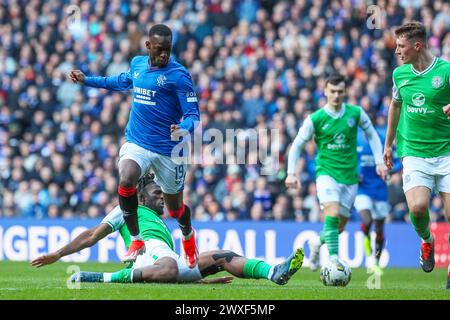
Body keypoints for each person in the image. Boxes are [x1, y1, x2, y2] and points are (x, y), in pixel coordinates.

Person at [69, 24, 200, 266]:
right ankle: (137, 239)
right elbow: (119, 81)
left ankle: (188, 235)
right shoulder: (138, 64)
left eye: (168, 50)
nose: (164, 55)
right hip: (138, 141)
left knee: (175, 209)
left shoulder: (179, 75)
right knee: (127, 178)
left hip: (167, 150)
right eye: (160, 49)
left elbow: (193, 114)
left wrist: (185, 128)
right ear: (148, 45)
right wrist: (87, 80)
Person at [31, 173, 304, 285]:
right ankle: (99, 277)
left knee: (224, 256)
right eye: (157, 192)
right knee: (170, 268)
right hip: (149, 254)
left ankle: (273, 272)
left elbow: (172, 270)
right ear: (141, 196)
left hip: (167, 259)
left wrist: (199, 281)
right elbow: (92, 235)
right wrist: (57, 254)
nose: (163, 197)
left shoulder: (159, 217)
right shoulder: (128, 210)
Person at [285, 74, 387, 271]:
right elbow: (297, 144)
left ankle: (316, 243)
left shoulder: (355, 113)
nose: (336, 95)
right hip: (326, 173)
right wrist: (291, 172)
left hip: (349, 177)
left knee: (339, 227)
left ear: (345, 92)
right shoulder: (315, 119)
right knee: (331, 212)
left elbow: (372, 135)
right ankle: (333, 260)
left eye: (340, 91)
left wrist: (379, 161)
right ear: (325, 92)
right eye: (332, 91)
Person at [383, 22, 450, 286]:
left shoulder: (445, 71)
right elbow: (395, 107)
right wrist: (388, 144)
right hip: (414, 152)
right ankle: (427, 240)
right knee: (419, 207)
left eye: (401, 46)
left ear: (417, 46)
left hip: (446, 150)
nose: (397, 51)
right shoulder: (400, 75)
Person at [355, 123, 401, 275]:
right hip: (362, 190)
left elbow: (399, 159)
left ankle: (376, 261)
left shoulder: (382, 141)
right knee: (367, 220)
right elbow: (347, 160)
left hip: (380, 190)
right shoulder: (356, 141)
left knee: (380, 228)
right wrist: (353, 173)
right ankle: (368, 254)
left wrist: (390, 169)